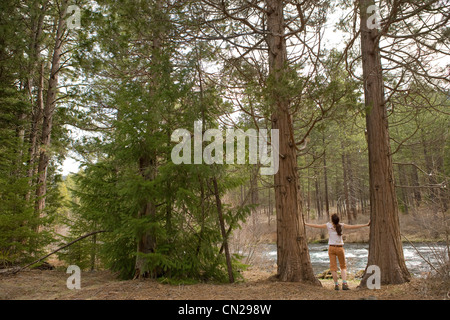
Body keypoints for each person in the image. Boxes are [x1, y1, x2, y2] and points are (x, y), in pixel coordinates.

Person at [305, 214, 370, 290]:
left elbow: (316, 226)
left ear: (332, 220)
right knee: (343, 267)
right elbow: (353, 226)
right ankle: (344, 283)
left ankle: (336, 285)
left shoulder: (328, 225)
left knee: (333, 267)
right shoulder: (342, 226)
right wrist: (366, 224)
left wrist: (306, 224)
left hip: (331, 248)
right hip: (339, 248)